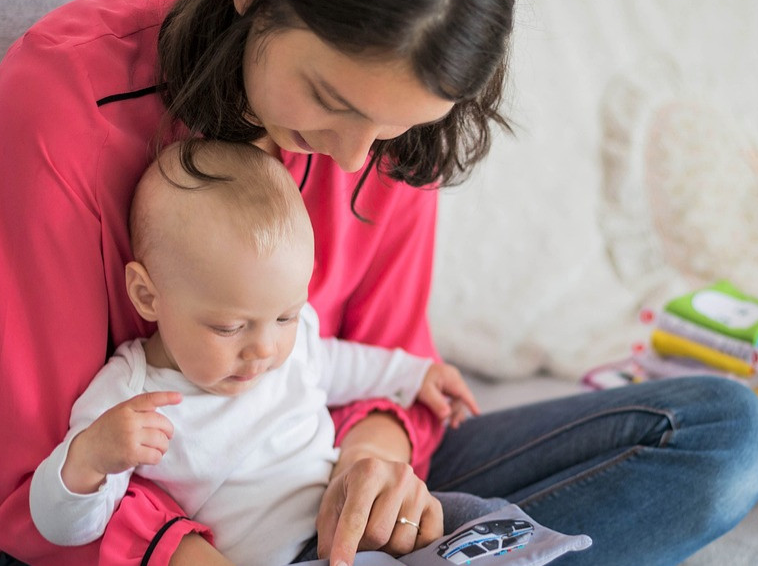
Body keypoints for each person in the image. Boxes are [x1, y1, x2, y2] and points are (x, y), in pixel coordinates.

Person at [0, 0, 758, 565]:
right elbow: (36, 477)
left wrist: (373, 463)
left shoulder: (387, 137)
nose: (354, 158)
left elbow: (388, 362)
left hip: (321, 488)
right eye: (330, 99)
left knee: (728, 437)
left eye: (393, 127)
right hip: (131, 539)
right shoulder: (59, 106)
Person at [28, 140, 482, 565]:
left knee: (472, 516)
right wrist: (89, 460)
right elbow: (62, 528)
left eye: (286, 316)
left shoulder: (287, 342)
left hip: (350, 526)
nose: (265, 349)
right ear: (148, 297)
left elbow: (342, 364)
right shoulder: (131, 395)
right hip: (284, 558)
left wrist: (415, 374)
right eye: (230, 327)